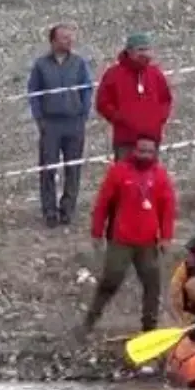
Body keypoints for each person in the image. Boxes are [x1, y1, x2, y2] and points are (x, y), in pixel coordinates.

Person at [78, 136, 176, 337]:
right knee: (110, 281)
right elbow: (103, 203)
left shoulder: (160, 176)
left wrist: (166, 237)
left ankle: (149, 329)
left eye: (149, 152)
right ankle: (89, 321)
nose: (145, 155)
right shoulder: (119, 171)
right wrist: (97, 232)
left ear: (155, 153)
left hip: (148, 243)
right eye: (142, 151)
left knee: (152, 286)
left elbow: (168, 208)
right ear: (134, 151)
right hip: (121, 240)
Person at [27, 23, 93, 227]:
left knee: (73, 168)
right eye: (64, 38)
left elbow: (87, 89)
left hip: (74, 122)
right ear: (53, 41)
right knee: (48, 168)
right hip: (51, 124)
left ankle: (68, 209)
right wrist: (40, 120)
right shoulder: (41, 65)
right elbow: (34, 92)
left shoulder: (79, 63)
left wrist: (83, 113)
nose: (69, 41)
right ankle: (49, 211)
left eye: (70, 37)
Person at [96, 33, 173, 159]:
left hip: (151, 140)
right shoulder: (114, 74)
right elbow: (103, 102)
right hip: (126, 139)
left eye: (147, 49)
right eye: (140, 50)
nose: (144, 54)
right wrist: (120, 118)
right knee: (125, 176)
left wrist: (158, 119)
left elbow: (166, 100)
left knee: (150, 177)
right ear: (129, 51)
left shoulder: (155, 74)